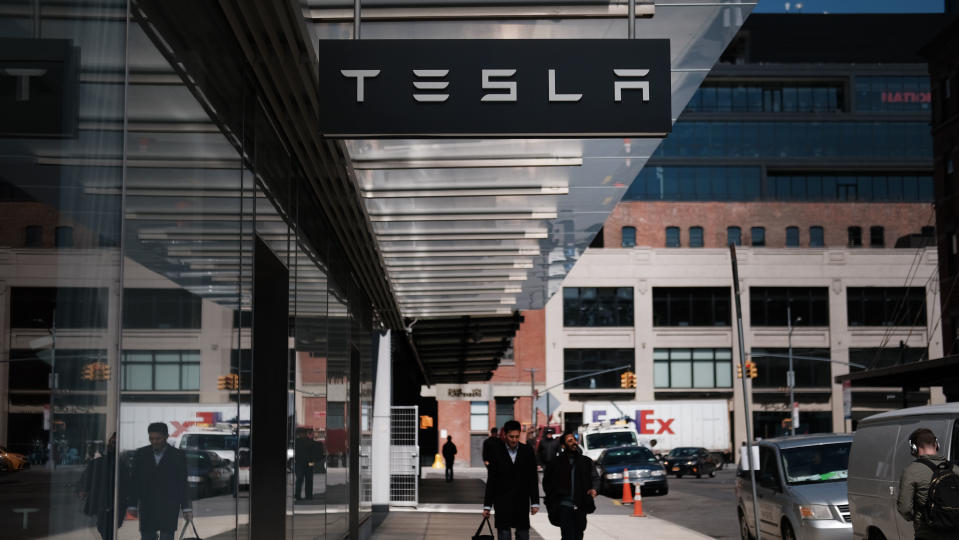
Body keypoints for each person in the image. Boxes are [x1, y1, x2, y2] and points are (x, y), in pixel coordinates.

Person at [128, 422, 191, 540]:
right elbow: (135, 481)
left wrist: (186, 508)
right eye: (151, 438)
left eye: (158, 438)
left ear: (166, 436)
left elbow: (182, 483)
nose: (154, 442)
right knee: (147, 536)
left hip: (169, 505)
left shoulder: (177, 455)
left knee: (167, 536)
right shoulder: (141, 454)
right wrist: (132, 505)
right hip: (147, 504)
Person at [897, 428, 959, 540]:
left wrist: (917, 518)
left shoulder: (911, 471)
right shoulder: (955, 469)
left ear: (914, 448)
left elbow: (905, 508)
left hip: (927, 533)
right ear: (937, 445)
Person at [483, 420, 539, 540]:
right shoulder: (496, 452)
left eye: (517, 437)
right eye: (511, 437)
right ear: (505, 435)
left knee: (523, 534)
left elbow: (532, 478)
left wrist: (535, 502)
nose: (514, 440)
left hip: (521, 501)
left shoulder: (527, 451)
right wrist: (487, 505)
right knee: (504, 534)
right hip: (502, 501)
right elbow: (491, 480)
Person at [542, 431, 599, 540]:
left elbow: (595, 478)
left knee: (579, 535)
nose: (574, 443)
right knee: (567, 536)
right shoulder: (555, 463)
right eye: (570, 441)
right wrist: (553, 498)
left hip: (581, 505)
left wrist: (594, 490)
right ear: (563, 446)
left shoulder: (586, 461)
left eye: (574, 440)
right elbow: (547, 483)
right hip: (564, 506)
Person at [78, 433, 128, 540]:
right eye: (111, 442)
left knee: (112, 527)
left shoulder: (123, 461)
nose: (112, 445)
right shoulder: (100, 459)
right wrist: (83, 489)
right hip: (103, 500)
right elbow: (88, 474)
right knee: (102, 527)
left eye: (115, 443)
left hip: (118, 501)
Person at [295, 428, 323, 500]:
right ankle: (308, 496)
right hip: (309, 463)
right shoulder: (310, 441)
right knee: (308, 479)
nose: (298, 435)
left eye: (299, 434)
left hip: (300, 463)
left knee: (300, 479)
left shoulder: (297, 442)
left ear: (302, 434)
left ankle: (299, 495)